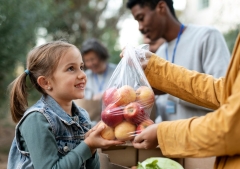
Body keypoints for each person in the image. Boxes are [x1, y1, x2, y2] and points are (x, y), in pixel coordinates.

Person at [120, 34, 240, 168]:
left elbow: (232, 127)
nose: (141, 28)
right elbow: (225, 90)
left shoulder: (206, 36)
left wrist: (163, 134)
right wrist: (154, 67)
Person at [7, 40, 124, 169]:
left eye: (81, 67)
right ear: (46, 83)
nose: (83, 75)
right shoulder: (37, 119)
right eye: (71, 68)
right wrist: (88, 145)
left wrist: (92, 148)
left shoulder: (82, 116)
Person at [126, 0, 230, 121]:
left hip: (208, 138)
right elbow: (164, 113)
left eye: (141, 18)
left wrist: (168, 87)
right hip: (171, 139)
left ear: (161, 7)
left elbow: (226, 97)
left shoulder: (207, 36)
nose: (140, 27)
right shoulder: (158, 54)